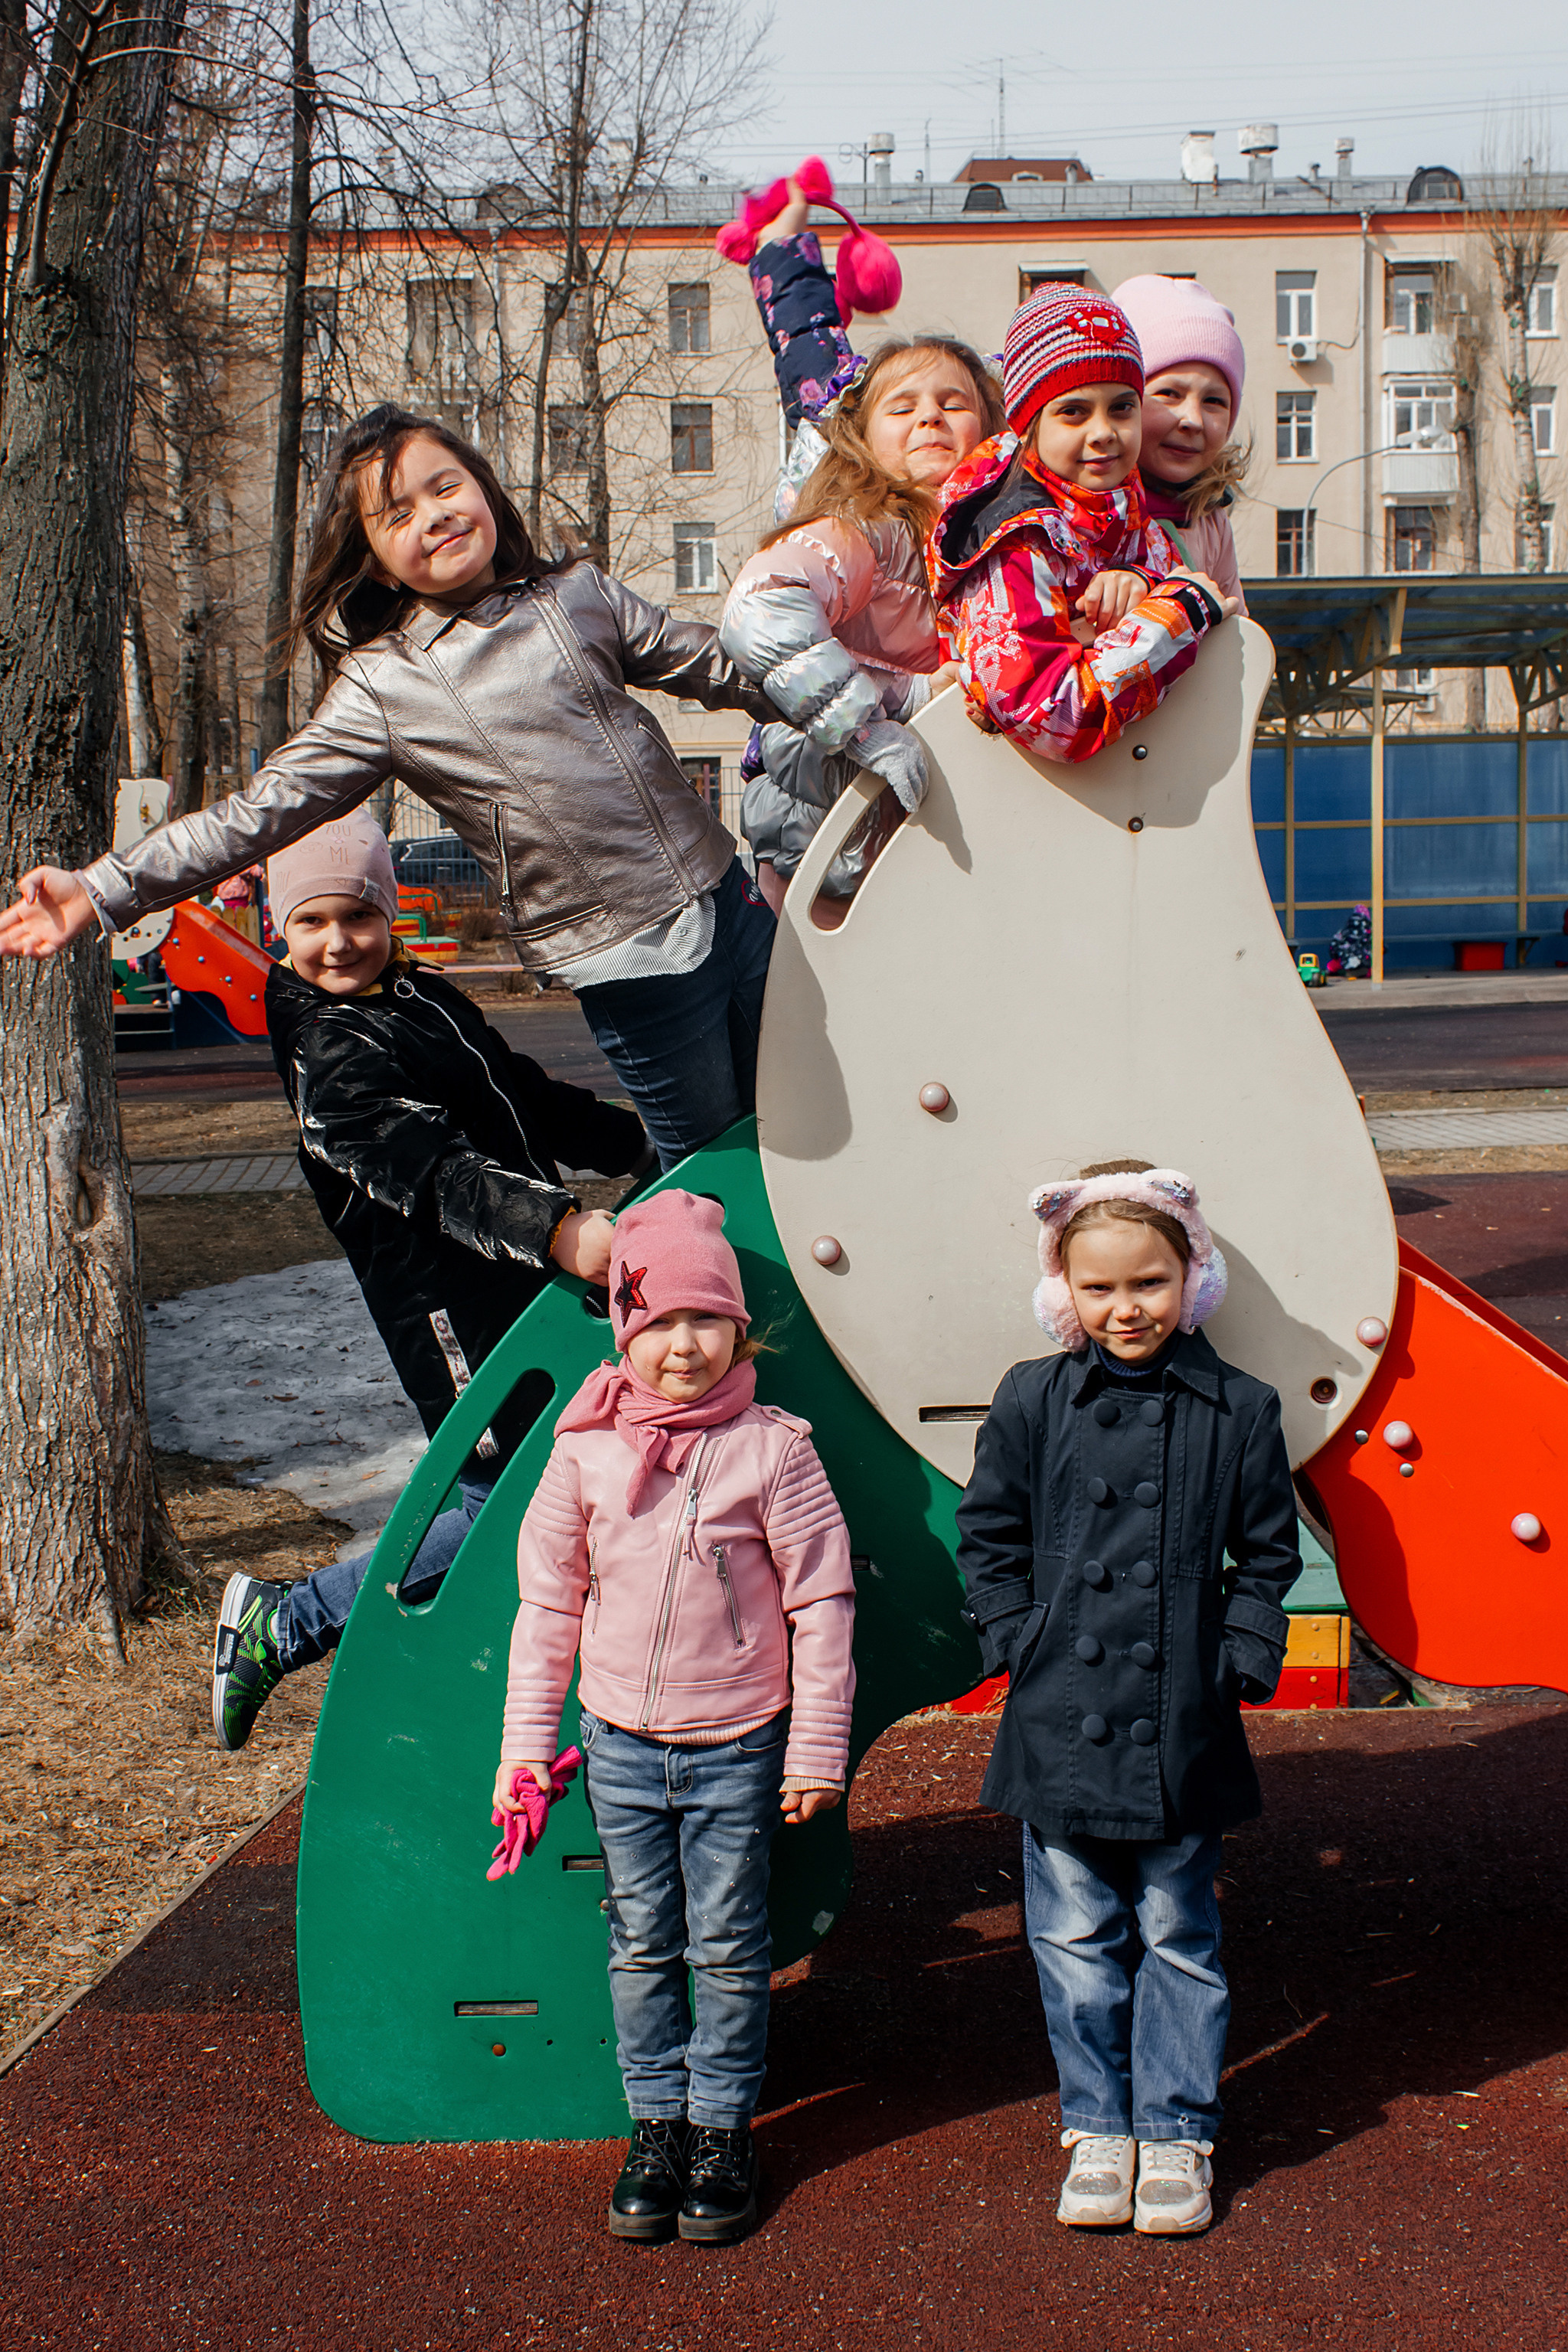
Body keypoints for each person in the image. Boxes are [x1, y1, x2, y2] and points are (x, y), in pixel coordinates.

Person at [0, 407, 777, 1169]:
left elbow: (716, 665)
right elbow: (256, 815)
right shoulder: (385, 684)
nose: (434, 517)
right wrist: (103, 889)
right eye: (397, 513)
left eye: (444, 488)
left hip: (729, 898)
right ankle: (699, 1290)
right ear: (372, 557)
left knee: (796, 1110)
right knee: (709, 1163)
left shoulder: (576, 595)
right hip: (628, 954)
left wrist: (863, 691)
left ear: (482, 487)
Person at [211, 811, 652, 1752]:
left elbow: (522, 1093)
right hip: (446, 1309)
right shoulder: (328, 1049)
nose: (338, 943)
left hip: (517, 1280)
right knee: (502, 1500)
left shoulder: (421, 998)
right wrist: (561, 1230)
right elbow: (428, 1169)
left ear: (388, 916)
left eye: (358, 918)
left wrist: (640, 1140)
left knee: (555, 1481)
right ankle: (289, 1621)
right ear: (278, 934)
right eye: (312, 924)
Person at [495, 1189, 856, 2246]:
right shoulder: (585, 1450)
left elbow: (822, 1601)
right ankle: (655, 2124)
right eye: (655, 1323)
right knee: (645, 1940)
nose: (682, 1347)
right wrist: (525, 1751)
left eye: (705, 1320)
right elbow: (547, 1603)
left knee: (732, 1946)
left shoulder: (773, 1451)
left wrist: (817, 1747)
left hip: (739, 1741)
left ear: (741, 1330)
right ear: (623, 1328)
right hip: (617, 1742)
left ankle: (720, 2129)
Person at [956, 1160, 1300, 2236]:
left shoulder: (1240, 1409)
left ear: (1191, 1280)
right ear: (1064, 1291)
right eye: (1099, 1288)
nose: (1126, 1308)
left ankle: (1181, 2129)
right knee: (1072, 1940)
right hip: (1060, 1715)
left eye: (1148, 1282)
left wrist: (1237, 1656)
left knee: (1179, 1933)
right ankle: (1098, 2126)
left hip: (1181, 1719)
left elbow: (1269, 1554)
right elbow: (989, 1537)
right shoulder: (1031, 1396)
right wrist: (1021, 1638)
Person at [717, 166, 1004, 914]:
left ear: (994, 427)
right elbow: (759, 607)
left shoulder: (997, 535)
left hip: (924, 834)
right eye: (902, 408)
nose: (930, 418)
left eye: (953, 403)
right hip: (827, 828)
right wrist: (887, 709)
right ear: (861, 439)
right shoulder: (866, 528)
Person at [928, 286, 1240, 763]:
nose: (1103, 432)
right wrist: (1176, 614)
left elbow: (1176, 577)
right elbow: (1053, 718)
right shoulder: (1013, 538)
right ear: (1028, 424)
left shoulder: (1119, 506)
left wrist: (1140, 584)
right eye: (1073, 412)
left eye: (1122, 407)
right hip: (1015, 809)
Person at [1112, 275, 1250, 614]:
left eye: (1215, 401)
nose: (1193, 420)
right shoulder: (1083, 509)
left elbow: (1238, 642)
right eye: (1169, 394)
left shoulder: (1209, 520)